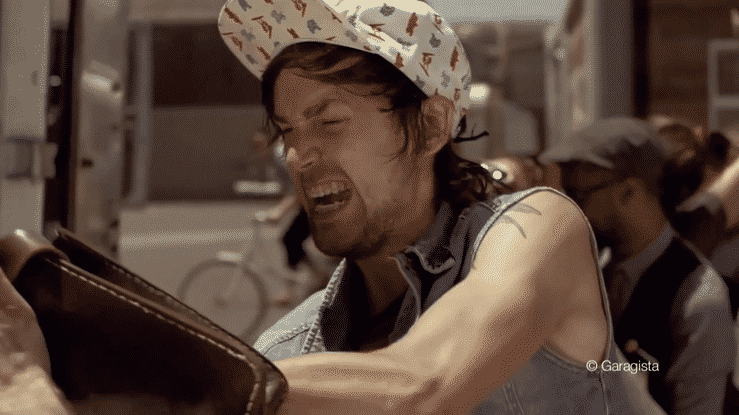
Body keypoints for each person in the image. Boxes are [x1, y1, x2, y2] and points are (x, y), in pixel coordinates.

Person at [218, 1, 664, 413]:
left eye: (330, 121)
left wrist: (220, 381)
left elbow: (426, 382)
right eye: (287, 131)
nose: (297, 156)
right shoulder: (285, 349)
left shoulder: (535, 230)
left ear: (431, 125)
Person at [541, 117, 736, 414]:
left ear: (629, 191)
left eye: (578, 196)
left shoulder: (697, 299)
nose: (571, 209)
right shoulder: (591, 271)